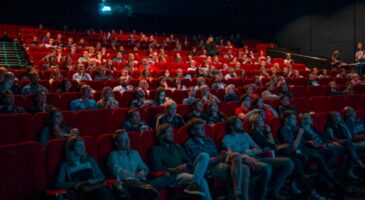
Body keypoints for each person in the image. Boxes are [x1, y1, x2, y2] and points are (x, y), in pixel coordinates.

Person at [250, 114, 325, 200]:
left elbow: (272, 143)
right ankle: (307, 190)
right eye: (260, 119)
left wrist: (269, 132)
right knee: (295, 162)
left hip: (276, 152)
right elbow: (263, 147)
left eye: (262, 118)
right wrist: (276, 146)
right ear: (254, 121)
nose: (263, 120)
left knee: (298, 159)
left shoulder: (263, 131)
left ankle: (293, 185)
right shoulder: (253, 133)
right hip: (269, 155)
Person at [223, 116, 293, 200]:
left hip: (257, 157)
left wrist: (246, 152)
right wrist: (245, 156)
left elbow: (259, 149)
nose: (242, 124)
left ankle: (273, 190)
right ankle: (262, 197)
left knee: (288, 163)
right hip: (244, 161)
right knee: (267, 168)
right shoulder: (227, 138)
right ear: (232, 126)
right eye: (238, 122)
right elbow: (231, 155)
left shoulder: (244, 134)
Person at [279, 111, 351, 193]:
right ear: (286, 120)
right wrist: (299, 134)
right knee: (318, 157)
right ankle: (331, 182)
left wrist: (308, 142)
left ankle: (328, 180)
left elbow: (302, 142)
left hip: (305, 149)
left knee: (326, 154)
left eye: (295, 119)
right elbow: (293, 146)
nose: (295, 121)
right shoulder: (283, 130)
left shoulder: (294, 128)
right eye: (293, 119)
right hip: (297, 152)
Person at [184, 118, 250, 200]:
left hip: (218, 162)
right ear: (193, 131)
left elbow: (216, 155)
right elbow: (202, 163)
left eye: (203, 128)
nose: (203, 130)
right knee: (241, 169)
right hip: (208, 168)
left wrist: (222, 155)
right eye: (199, 128)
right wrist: (219, 157)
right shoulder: (190, 143)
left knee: (244, 166)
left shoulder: (208, 140)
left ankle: (241, 195)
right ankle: (237, 195)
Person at [107, 129, 176, 200]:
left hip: (141, 181)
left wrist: (142, 173)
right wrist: (135, 175)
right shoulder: (113, 155)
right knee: (131, 182)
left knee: (168, 177)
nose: (127, 142)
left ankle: (147, 188)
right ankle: (147, 189)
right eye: (123, 140)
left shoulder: (135, 153)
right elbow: (117, 171)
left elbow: (145, 169)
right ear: (116, 143)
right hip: (127, 183)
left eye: (128, 139)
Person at [150, 124, 212, 199]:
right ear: (162, 135)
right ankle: (195, 183)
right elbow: (157, 167)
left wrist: (186, 165)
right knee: (202, 180)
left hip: (187, 170)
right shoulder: (156, 150)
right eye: (169, 132)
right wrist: (175, 170)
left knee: (204, 155)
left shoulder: (177, 146)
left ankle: (194, 184)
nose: (172, 134)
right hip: (175, 175)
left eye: (172, 132)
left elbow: (189, 161)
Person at [301, 113, 365, 180]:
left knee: (348, 148)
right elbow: (310, 143)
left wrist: (344, 126)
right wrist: (329, 143)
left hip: (324, 144)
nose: (311, 118)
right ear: (304, 120)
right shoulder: (302, 131)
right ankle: (350, 169)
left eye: (311, 117)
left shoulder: (312, 128)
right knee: (345, 146)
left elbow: (321, 139)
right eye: (309, 117)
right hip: (317, 148)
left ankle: (348, 171)